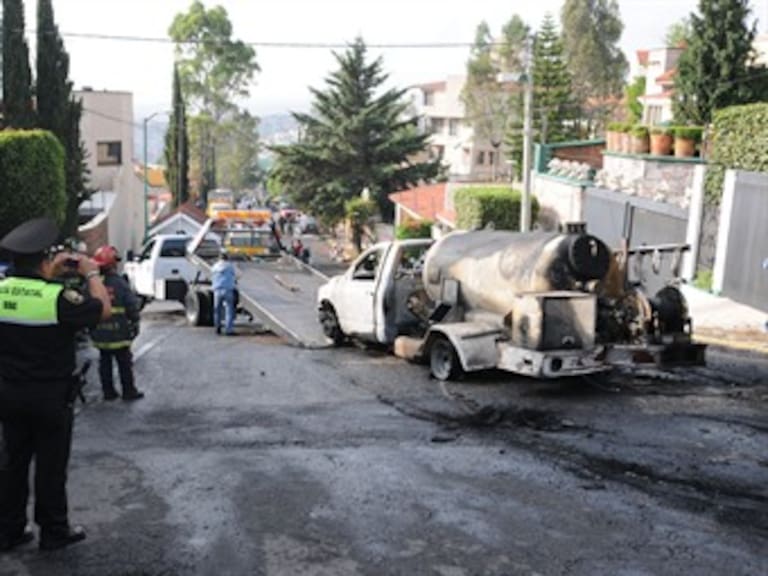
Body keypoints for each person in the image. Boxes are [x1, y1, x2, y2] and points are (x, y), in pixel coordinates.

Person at [0, 217, 111, 552]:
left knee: (12, 463)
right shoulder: (58, 298)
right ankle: (53, 530)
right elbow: (103, 310)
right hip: (50, 396)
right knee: (50, 465)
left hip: (7, 394)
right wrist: (90, 272)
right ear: (47, 259)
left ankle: (9, 531)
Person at [90, 246, 144, 402]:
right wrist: (135, 320)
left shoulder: (93, 284)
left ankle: (108, 393)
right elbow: (131, 305)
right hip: (119, 331)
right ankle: (129, 392)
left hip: (100, 332)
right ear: (113, 264)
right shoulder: (120, 283)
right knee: (124, 363)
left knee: (104, 362)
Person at [211, 251, 237, 335]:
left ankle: (217, 327)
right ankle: (228, 330)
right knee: (229, 309)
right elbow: (238, 275)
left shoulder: (214, 267)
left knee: (217, 310)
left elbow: (212, 275)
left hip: (217, 290)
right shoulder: (230, 266)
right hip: (228, 290)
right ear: (227, 258)